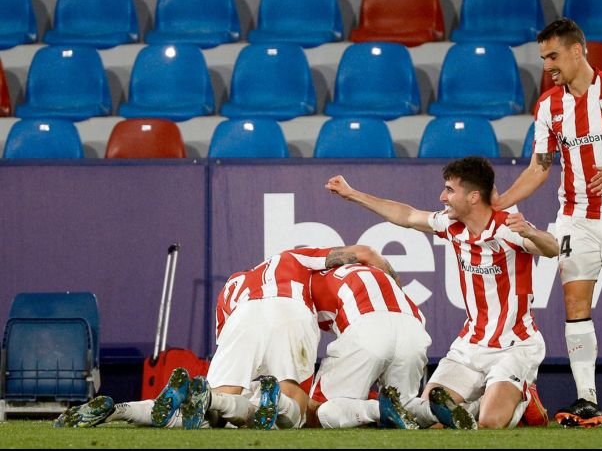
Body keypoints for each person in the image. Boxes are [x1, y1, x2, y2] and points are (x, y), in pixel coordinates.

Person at [494, 18, 602, 428]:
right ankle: (588, 399)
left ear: (576, 51)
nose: (547, 65)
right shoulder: (548, 105)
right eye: (543, 58)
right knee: (574, 304)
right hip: (575, 217)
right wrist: (501, 201)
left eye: (552, 56)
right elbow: (540, 166)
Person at [326, 156, 559, 430]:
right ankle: (478, 403)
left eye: (450, 190)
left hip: (514, 346)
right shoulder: (451, 225)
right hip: (470, 345)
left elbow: (553, 248)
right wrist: (353, 194)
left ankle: (525, 398)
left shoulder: (507, 228)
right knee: (432, 418)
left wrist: (531, 233)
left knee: (490, 423)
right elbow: (407, 216)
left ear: (473, 197)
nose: (442, 197)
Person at [55, 245, 397, 430]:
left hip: (241, 317)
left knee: (217, 405)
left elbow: (228, 335)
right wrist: (391, 283)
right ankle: (272, 399)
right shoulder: (293, 257)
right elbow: (365, 253)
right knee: (294, 408)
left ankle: (121, 410)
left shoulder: (232, 285)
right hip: (289, 309)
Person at [306, 262, 431, 430]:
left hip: (367, 325)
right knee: (404, 404)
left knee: (318, 410)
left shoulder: (305, 283)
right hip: (413, 327)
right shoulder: (372, 269)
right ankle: (432, 410)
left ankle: (379, 409)